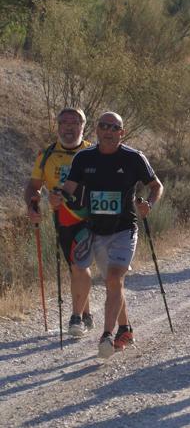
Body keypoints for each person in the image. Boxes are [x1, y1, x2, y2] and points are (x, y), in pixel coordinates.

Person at [56, 111, 163, 358]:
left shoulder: (134, 158)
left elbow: (156, 186)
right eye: (104, 126)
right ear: (97, 130)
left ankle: (107, 335)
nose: (108, 131)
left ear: (121, 133)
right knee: (113, 283)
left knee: (114, 279)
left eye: (114, 128)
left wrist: (149, 204)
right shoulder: (84, 159)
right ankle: (125, 329)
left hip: (125, 229)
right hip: (96, 231)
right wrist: (57, 197)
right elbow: (68, 189)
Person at [24, 107, 95, 337]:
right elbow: (33, 186)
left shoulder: (93, 152)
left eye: (74, 122)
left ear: (83, 126)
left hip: (90, 218)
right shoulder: (46, 155)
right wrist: (32, 205)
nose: (69, 127)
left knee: (79, 264)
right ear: (58, 126)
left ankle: (75, 318)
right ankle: (87, 314)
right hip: (62, 219)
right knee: (75, 267)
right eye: (64, 122)